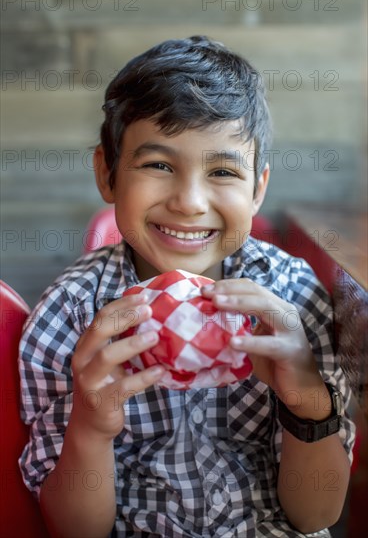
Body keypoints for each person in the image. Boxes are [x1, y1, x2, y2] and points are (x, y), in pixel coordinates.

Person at [19, 36, 355, 538]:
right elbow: (76, 530)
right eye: (158, 165)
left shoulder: (291, 299)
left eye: (222, 171)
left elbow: (316, 515)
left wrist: (306, 396)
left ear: (258, 188)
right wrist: (89, 427)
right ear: (106, 174)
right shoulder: (69, 316)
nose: (189, 202)